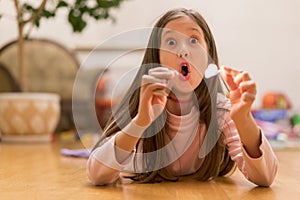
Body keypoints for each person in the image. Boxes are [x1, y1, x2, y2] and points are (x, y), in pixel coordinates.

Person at [86, 8, 278, 186]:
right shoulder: (142, 106)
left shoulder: (221, 111)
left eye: (194, 40)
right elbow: (96, 175)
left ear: (208, 56)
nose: (183, 51)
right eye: (171, 42)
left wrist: (243, 120)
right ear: (156, 58)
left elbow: (265, 178)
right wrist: (140, 122)